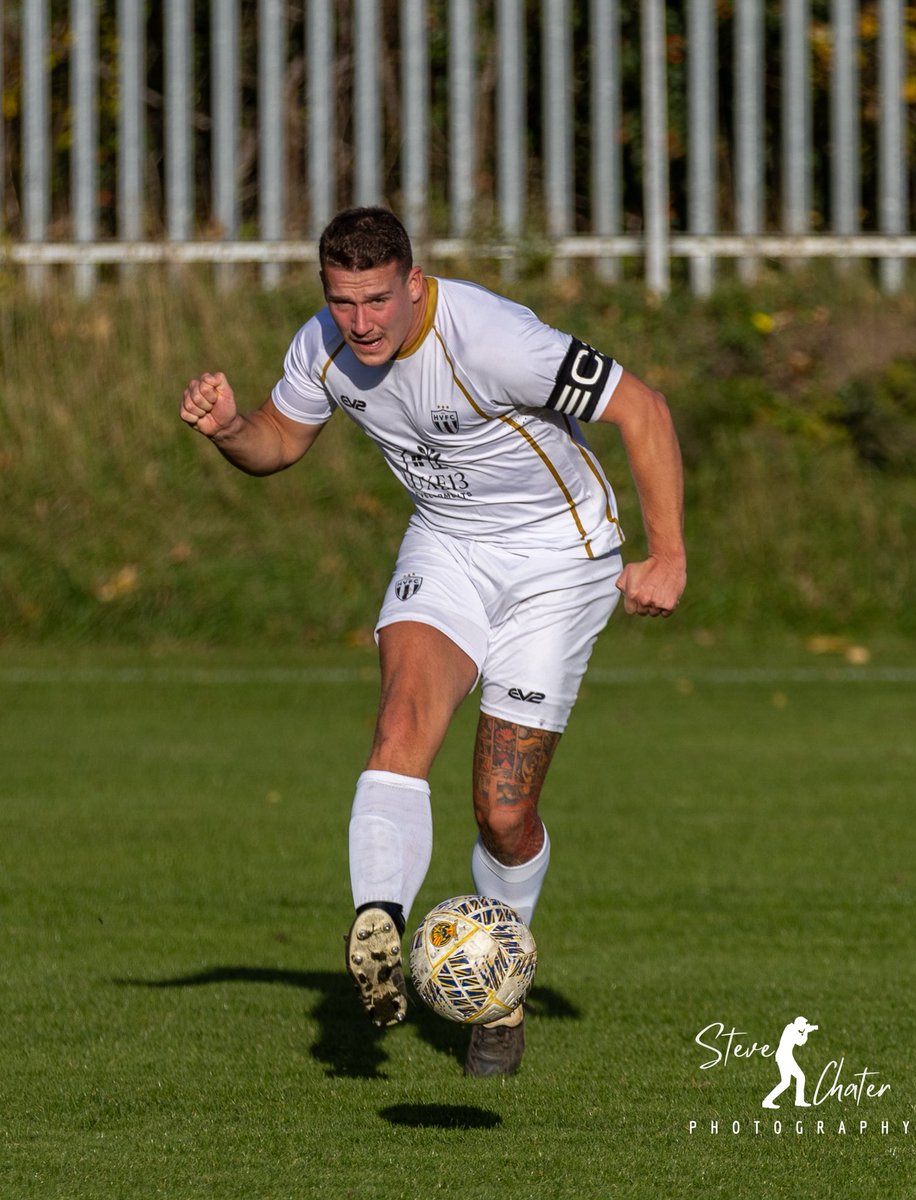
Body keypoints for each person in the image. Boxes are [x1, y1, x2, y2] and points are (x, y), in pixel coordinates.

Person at [180, 206, 686, 1077]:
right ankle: (379, 923)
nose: (362, 322)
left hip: (558, 559)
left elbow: (642, 408)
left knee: (502, 810)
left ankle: (499, 983)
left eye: (378, 299)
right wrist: (229, 427)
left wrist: (668, 554)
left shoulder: (494, 339)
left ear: (415, 283)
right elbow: (279, 441)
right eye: (343, 301)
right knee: (399, 728)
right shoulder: (326, 345)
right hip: (446, 546)